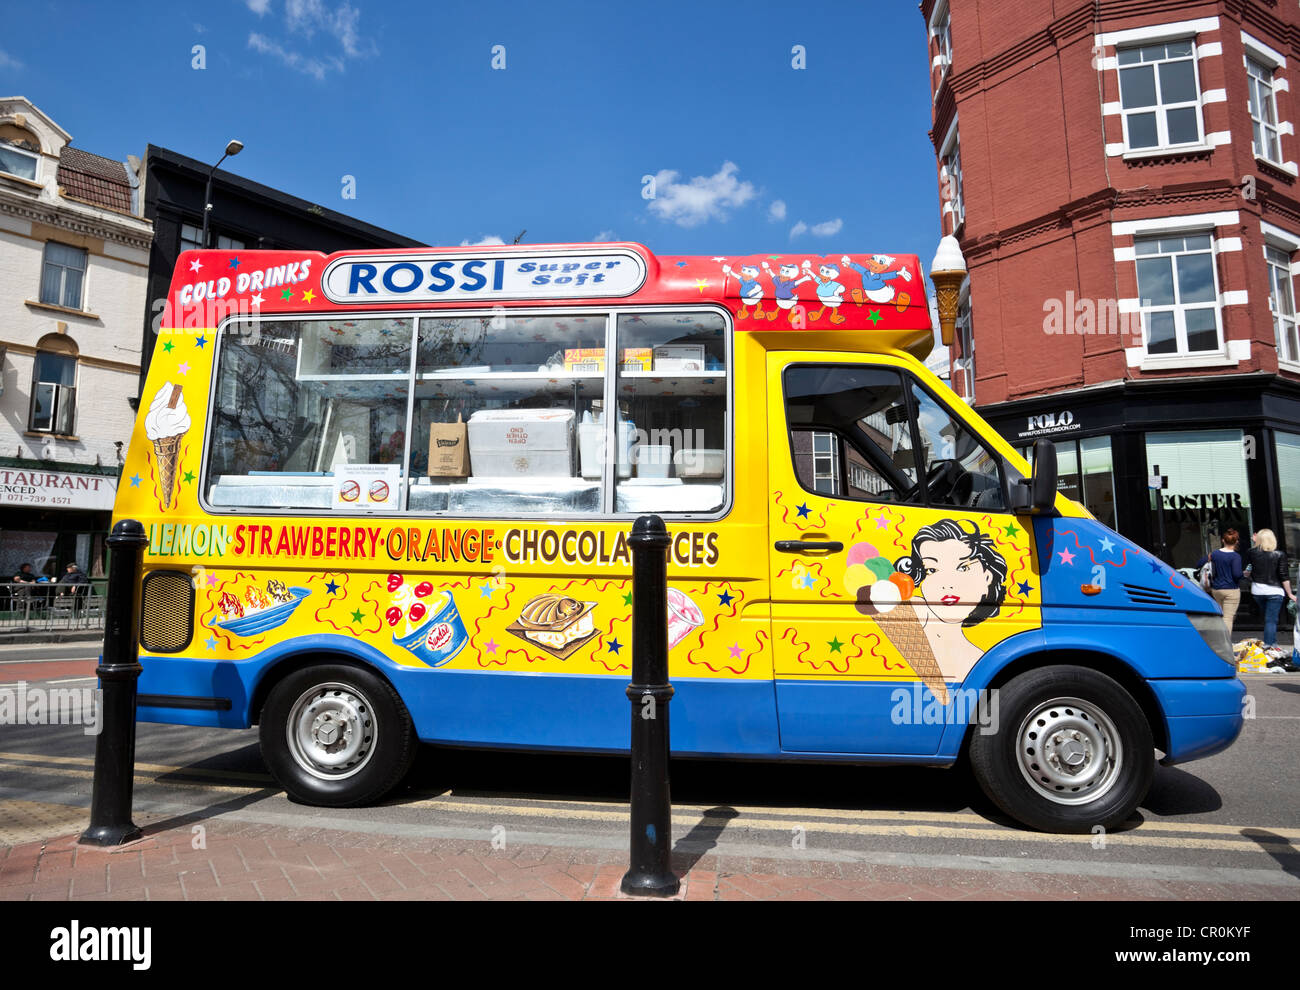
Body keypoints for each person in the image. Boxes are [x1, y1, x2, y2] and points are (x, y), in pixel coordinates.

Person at [1246, 529, 1295, 648]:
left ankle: (1273, 643)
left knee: (1268, 619)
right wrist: (1290, 593)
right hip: (1275, 591)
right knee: (1271, 620)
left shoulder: (1251, 553)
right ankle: (1268, 645)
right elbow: (1284, 576)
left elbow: (1252, 560)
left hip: (1257, 591)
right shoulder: (1279, 554)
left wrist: (1255, 542)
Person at [1196, 529, 1245, 636]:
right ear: (1236, 541)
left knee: (1221, 616)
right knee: (1228, 618)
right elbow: (1237, 574)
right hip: (1231, 590)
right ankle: (1225, 642)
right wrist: (1244, 574)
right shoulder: (1235, 556)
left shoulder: (1214, 554)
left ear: (1223, 540)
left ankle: (1217, 638)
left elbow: (1199, 564)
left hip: (1216, 590)